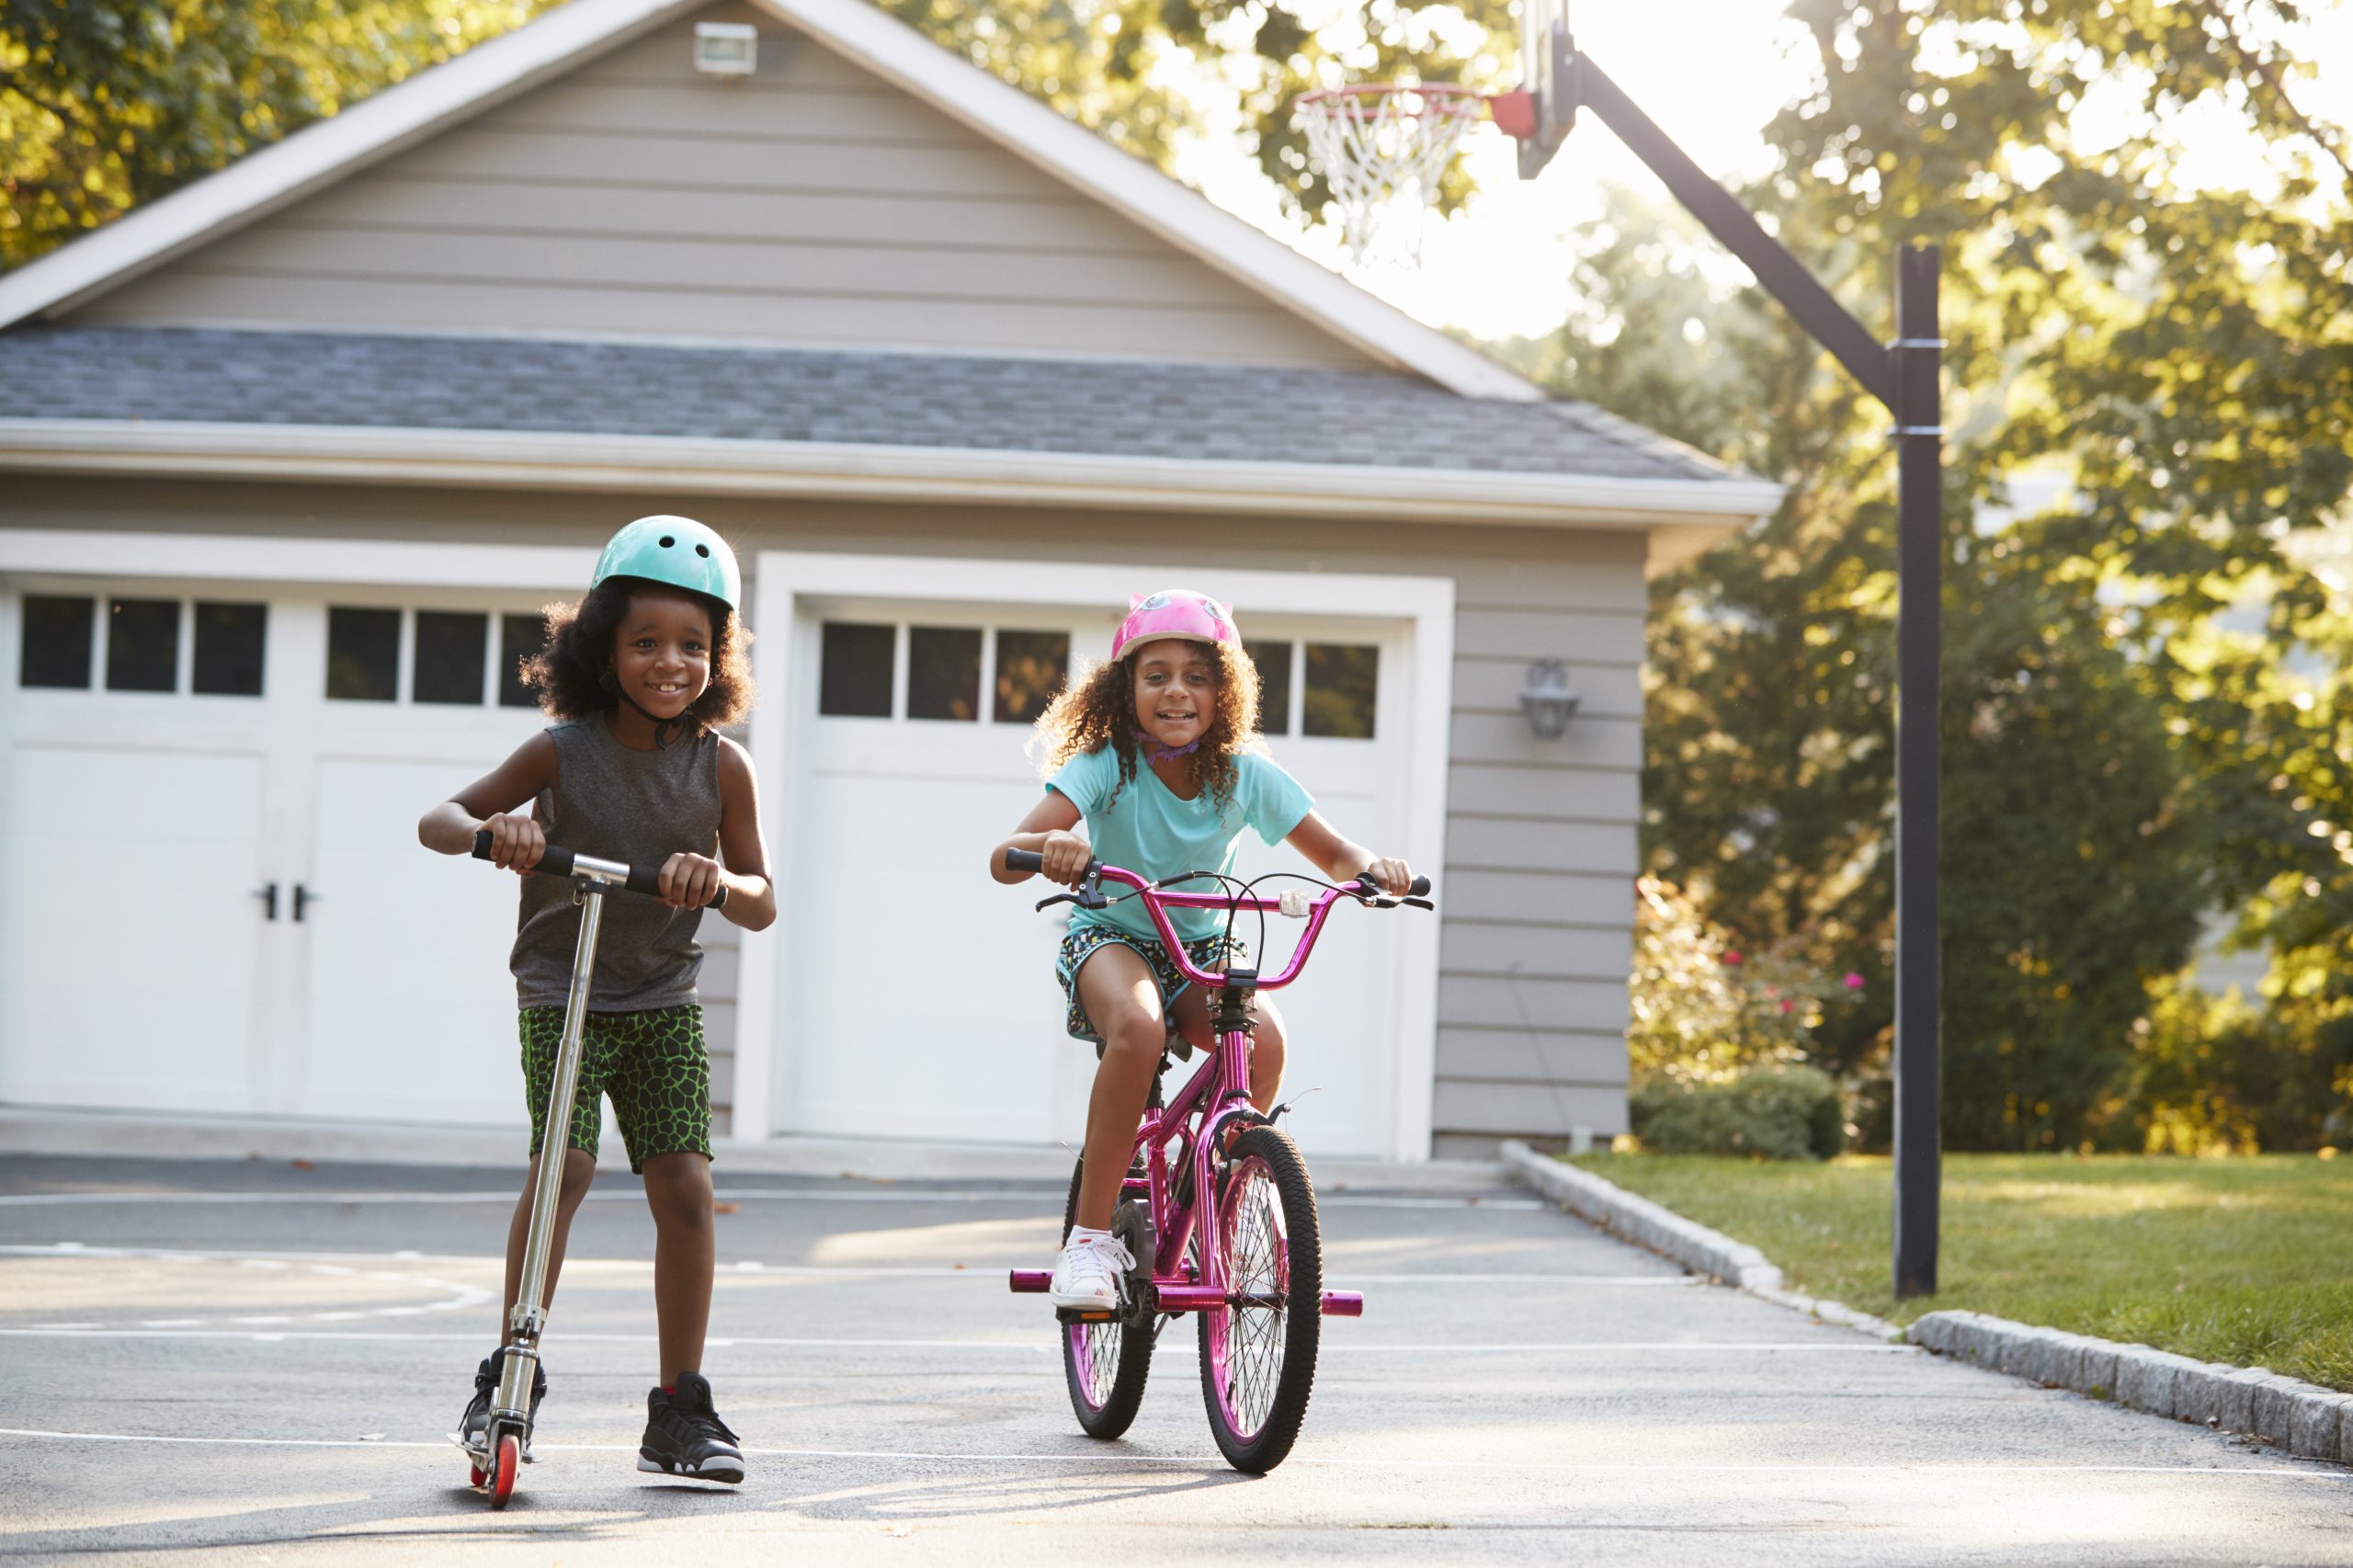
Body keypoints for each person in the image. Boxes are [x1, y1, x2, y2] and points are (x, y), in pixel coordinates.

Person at [417, 515, 776, 1484]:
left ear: (720, 656)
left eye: (694, 645)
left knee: (686, 1190)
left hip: (660, 996)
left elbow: (763, 898)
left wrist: (714, 878)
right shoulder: (561, 751)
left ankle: (680, 1408)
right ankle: (510, 1376)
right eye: (647, 642)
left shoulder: (720, 765)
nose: (671, 662)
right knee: (565, 1167)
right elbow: (438, 819)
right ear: (602, 648)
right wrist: (502, 832)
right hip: (562, 989)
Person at [988, 589, 1414, 1310]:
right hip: (1113, 936)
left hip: (1201, 941)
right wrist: (1052, 845)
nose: (1176, 691)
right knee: (1138, 1026)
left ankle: (1220, 1178)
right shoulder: (1106, 764)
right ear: (1126, 690)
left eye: (1197, 675)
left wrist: (1374, 870)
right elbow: (1006, 855)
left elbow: (1337, 850)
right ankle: (1089, 1241)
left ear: (1226, 690)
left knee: (1265, 1038)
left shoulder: (1244, 774)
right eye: (1155, 675)